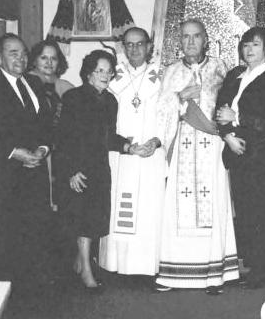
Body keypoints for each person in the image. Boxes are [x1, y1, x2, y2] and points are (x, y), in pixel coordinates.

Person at [155, 19, 239, 294]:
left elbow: (232, 103)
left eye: (196, 36)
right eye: (185, 37)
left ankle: (213, 275)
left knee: (213, 203)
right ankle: (172, 273)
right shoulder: (170, 71)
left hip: (212, 147)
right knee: (178, 209)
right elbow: (160, 111)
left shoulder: (219, 68)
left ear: (206, 39)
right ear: (179, 41)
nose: (190, 42)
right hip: (181, 147)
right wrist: (180, 98)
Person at [57, 50, 151, 291]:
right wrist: (71, 171)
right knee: (82, 218)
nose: (106, 75)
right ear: (88, 72)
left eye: (109, 71)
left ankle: (81, 260)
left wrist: (129, 147)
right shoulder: (73, 98)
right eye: (100, 70)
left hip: (99, 167)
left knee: (95, 217)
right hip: (79, 166)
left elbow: (109, 137)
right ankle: (87, 272)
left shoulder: (110, 101)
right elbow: (64, 138)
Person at [216, 26, 265, 289]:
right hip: (235, 152)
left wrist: (238, 119)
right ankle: (251, 265)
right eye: (246, 44)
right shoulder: (236, 74)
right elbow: (220, 107)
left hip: (261, 155)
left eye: (255, 45)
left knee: (261, 213)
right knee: (244, 213)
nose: (249, 49)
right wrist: (227, 135)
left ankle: (263, 271)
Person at [98, 27, 174, 280]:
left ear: (149, 46)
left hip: (150, 155)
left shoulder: (163, 77)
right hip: (121, 156)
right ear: (122, 47)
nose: (134, 49)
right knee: (119, 205)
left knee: (149, 210)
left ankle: (146, 267)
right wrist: (123, 144)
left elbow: (169, 115)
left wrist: (156, 141)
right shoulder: (111, 77)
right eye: (129, 45)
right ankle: (116, 265)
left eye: (139, 44)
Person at [0, 33, 53, 291]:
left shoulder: (33, 84)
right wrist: (14, 152)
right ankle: (1, 293)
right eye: (13, 53)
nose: (21, 58)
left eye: (23, 53)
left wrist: (44, 148)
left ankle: (29, 288)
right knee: (5, 233)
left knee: (33, 229)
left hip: (34, 173)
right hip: (4, 175)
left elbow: (46, 124)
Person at [28, 39, 74, 209]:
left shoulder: (67, 88)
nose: (49, 62)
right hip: (34, 152)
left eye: (53, 58)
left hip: (62, 154)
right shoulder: (25, 84)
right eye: (43, 58)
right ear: (34, 60)